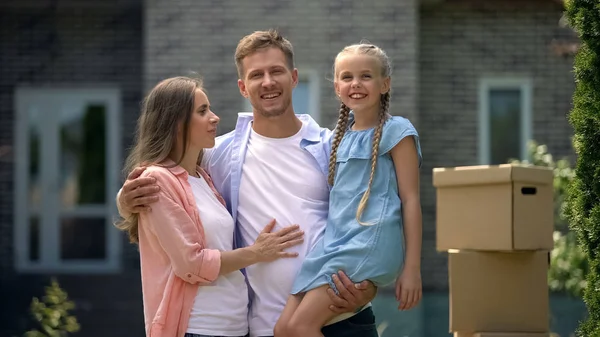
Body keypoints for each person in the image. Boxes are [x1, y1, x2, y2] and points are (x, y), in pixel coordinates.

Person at [117, 30, 379, 337]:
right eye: (257, 75)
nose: (268, 82)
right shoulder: (218, 155)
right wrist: (126, 201)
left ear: (294, 78)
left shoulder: (331, 147)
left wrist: (371, 284)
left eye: (276, 71)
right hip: (264, 327)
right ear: (243, 87)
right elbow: (170, 188)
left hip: (341, 317)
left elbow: (372, 219)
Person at [115, 76, 305, 337]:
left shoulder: (203, 177)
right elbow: (191, 264)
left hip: (235, 326)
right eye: (202, 111)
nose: (214, 118)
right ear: (176, 122)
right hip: (198, 327)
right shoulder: (158, 179)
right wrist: (257, 252)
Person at [273, 43, 423, 337]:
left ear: (385, 84)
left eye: (366, 76)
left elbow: (411, 199)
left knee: (302, 327)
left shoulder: (398, 132)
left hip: (367, 243)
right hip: (334, 244)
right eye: (346, 77)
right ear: (337, 86)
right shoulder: (339, 138)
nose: (356, 84)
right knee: (283, 329)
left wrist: (412, 268)